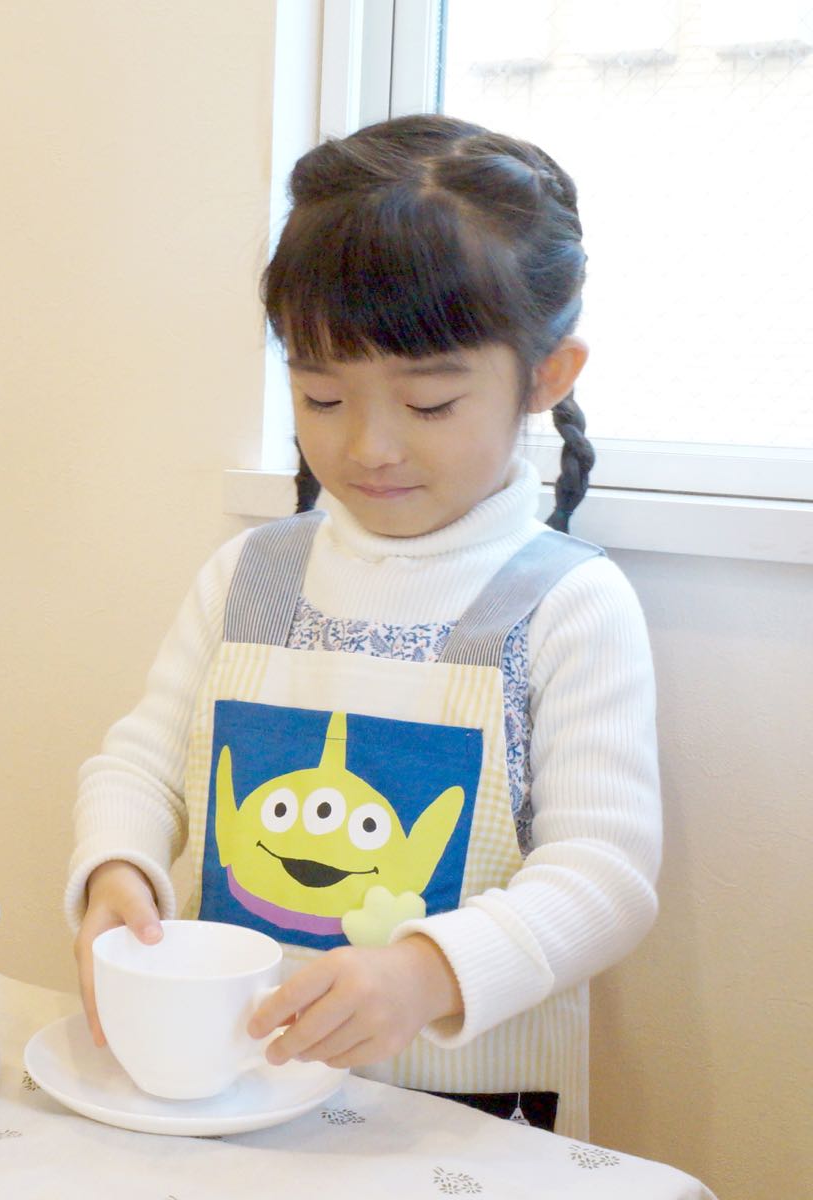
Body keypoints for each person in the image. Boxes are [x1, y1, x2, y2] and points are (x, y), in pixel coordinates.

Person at [65, 114, 661, 1140]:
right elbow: (140, 765)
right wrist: (115, 868)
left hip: (458, 1116)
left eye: (429, 404)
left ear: (547, 376)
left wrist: (428, 973)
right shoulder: (251, 576)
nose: (370, 445)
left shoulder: (567, 605)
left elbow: (604, 877)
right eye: (322, 395)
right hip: (236, 1083)